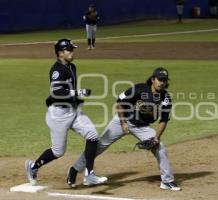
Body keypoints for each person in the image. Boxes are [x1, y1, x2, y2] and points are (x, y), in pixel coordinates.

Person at [67, 67, 181, 191]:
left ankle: (167, 181)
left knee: (160, 147)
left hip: (142, 127)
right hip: (122, 120)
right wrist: (123, 123)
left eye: (164, 80)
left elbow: (163, 120)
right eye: (160, 79)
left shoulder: (165, 98)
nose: (162, 83)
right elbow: (120, 101)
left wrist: (156, 137)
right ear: (153, 79)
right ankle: (74, 170)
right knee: (99, 146)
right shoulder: (139, 89)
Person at [25, 38, 107, 187]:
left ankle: (89, 175)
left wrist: (76, 100)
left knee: (93, 136)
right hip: (58, 115)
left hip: (73, 111)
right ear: (60, 53)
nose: (72, 52)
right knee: (58, 151)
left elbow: (68, 93)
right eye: (69, 49)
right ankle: (33, 167)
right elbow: (57, 92)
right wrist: (78, 92)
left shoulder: (72, 67)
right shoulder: (56, 70)